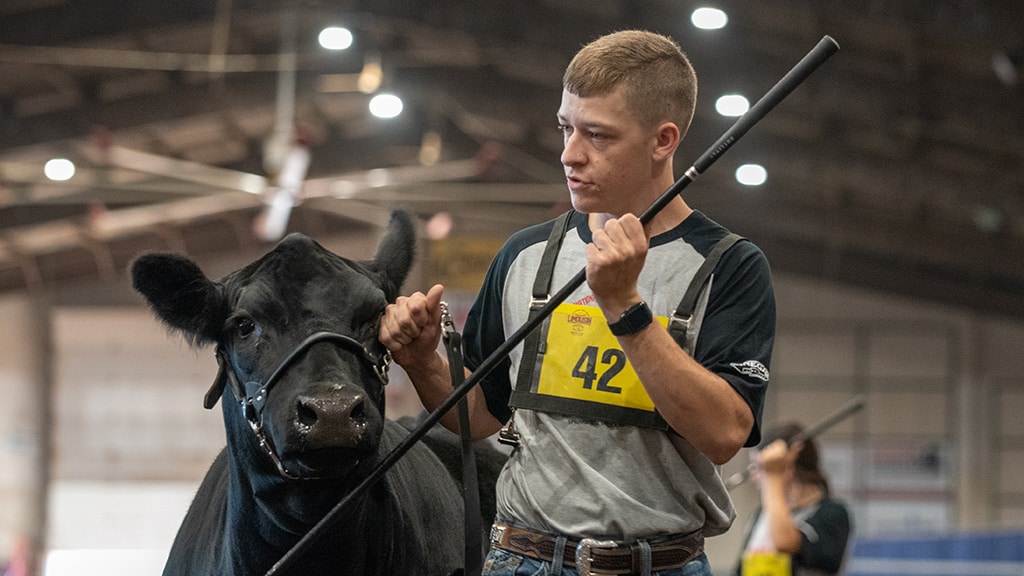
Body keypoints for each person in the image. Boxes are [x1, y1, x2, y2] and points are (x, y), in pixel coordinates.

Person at [380, 29, 776, 576]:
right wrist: (423, 361)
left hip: (658, 565)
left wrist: (626, 310)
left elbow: (725, 434)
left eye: (597, 135)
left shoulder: (728, 266)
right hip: (522, 559)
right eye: (566, 127)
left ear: (663, 141)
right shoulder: (525, 256)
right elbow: (479, 416)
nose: (570, 154)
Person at [734, 423, 851, 576]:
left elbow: (785, 542)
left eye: (761, 467)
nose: (755, 477)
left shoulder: (832, 514)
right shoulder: (761, 514)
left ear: (791, 462)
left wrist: (774, 476)